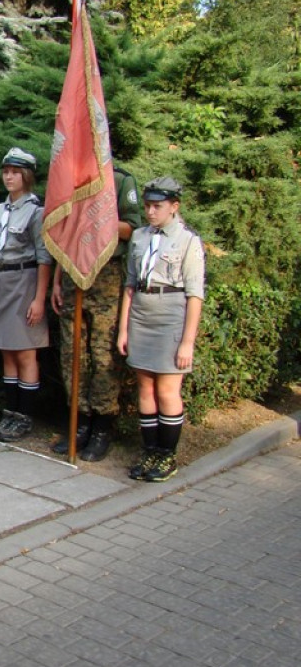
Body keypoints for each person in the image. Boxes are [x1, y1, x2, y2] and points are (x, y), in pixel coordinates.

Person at [50, 164, 142, 460]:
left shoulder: (120, 180)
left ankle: (102, 427)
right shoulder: (70, 180)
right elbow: (60, 236)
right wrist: (55, 281)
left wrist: (99, 221)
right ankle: (80, 423)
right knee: (73, 354)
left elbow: (132, 229)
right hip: (71, 274)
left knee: (102, 355)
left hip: (105, 276)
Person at [117, 177, 204, 482]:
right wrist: (123, 330)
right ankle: (150, 450)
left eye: (158, 206)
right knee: (146, 388)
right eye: (148, 206)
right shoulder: (140, 237)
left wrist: (187, 342)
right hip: (141, 314)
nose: (150, 212)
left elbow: (195, 295)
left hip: (170, 317)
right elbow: (130, 285)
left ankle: (167, 455)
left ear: (174, 207)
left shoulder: (188, 241)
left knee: (167, 390)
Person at [0, 148, 53, 442]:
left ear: (27, 176)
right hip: (0, 281)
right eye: (6, 171)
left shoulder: (36, 212)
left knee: (25, 351)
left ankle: (24, 416)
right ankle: (9, 414)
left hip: (24, 281)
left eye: (15, 172)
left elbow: (44, 257)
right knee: (6, 350)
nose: (9, 177)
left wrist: (39, 299)